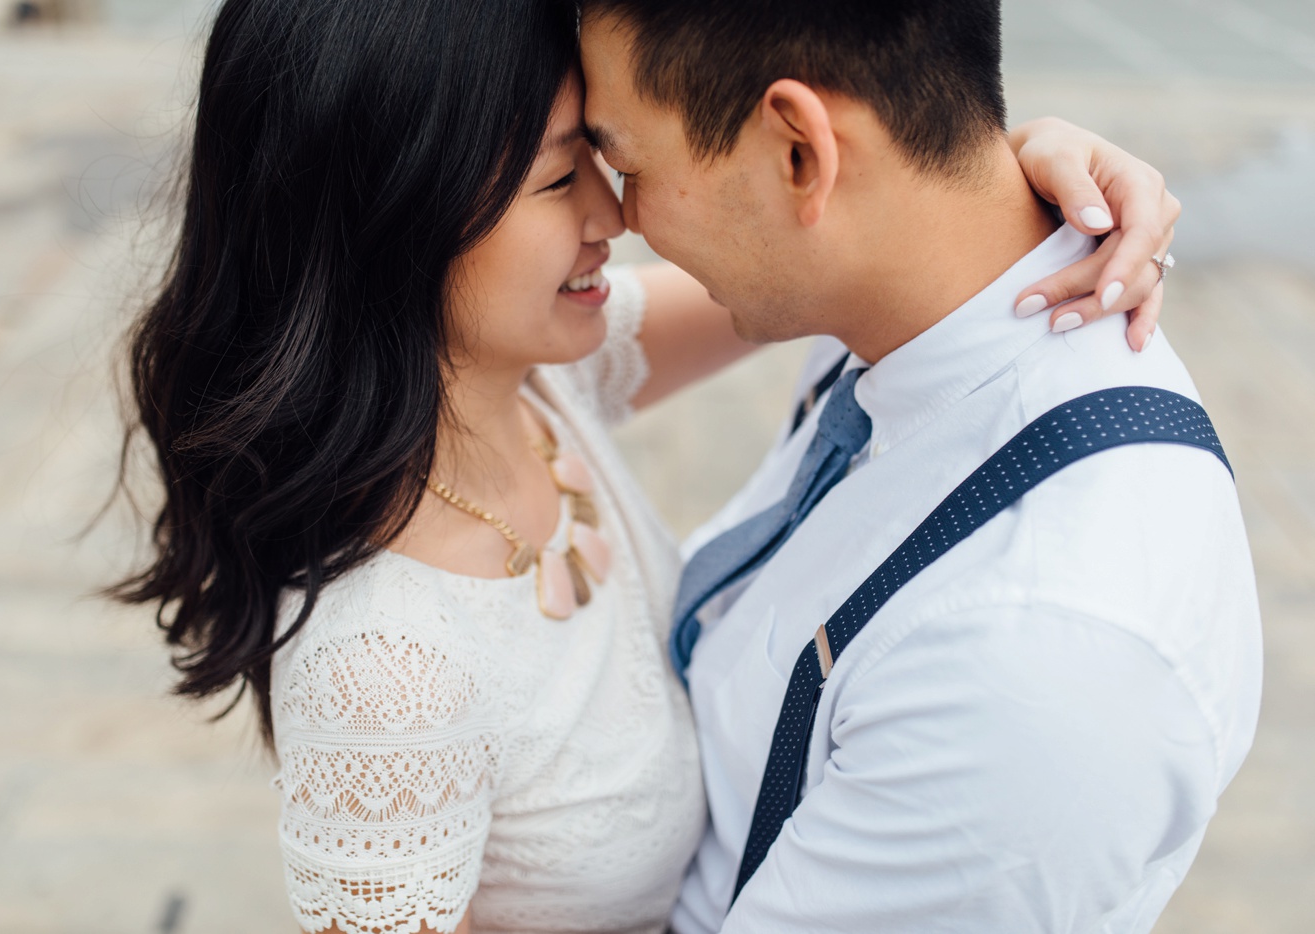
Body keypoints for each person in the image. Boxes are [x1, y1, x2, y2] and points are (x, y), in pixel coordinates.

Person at [112, 0, 1185, 931]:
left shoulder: (531, 386)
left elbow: (818, 260)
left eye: (605, 159)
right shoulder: (383, 671)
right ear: (392, 217)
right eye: (556, 178)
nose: (610, 215)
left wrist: (1016, 175)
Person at [577, 1, 1263, 932]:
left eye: (627, 163)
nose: (618, 217)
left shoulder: (1034, 664)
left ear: (799, 154)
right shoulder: (907, 311)